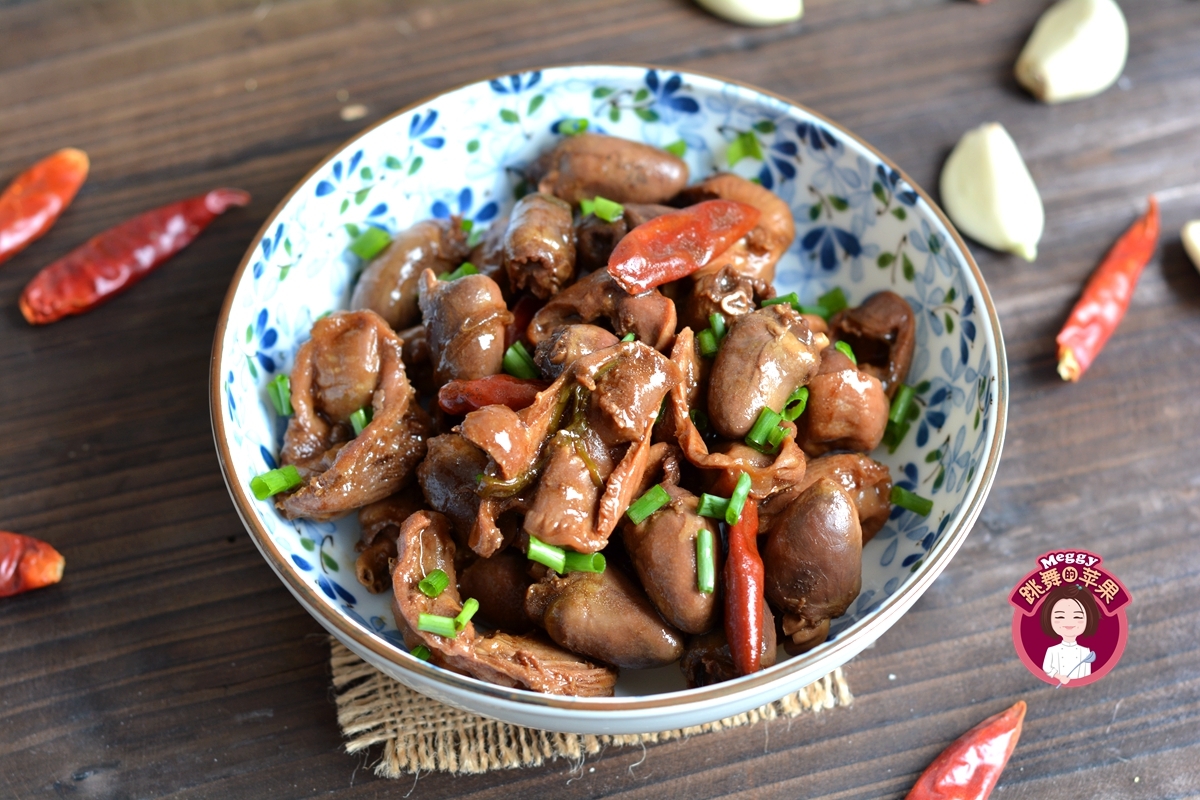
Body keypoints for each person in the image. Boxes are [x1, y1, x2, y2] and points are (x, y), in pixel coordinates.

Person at [1040, 584, 1100, 684]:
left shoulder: (1085, 652)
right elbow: (1047, 668)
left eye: (1077, 617)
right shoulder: (1052, 650)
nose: (1068, 622)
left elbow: (1087, 675)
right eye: (1060, 617)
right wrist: (1059, 677)